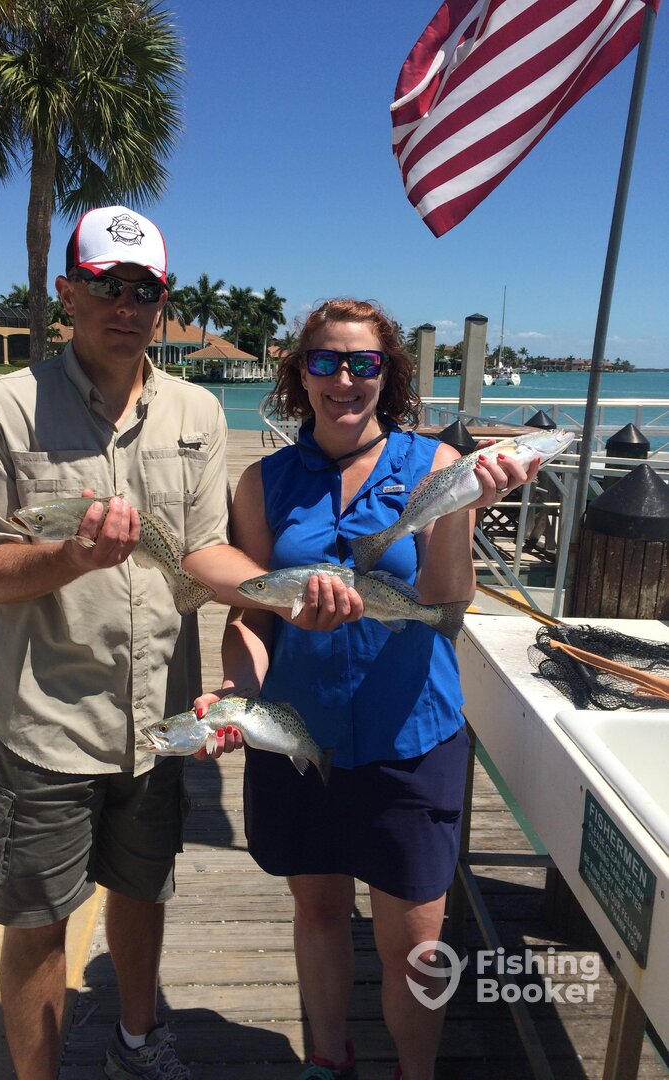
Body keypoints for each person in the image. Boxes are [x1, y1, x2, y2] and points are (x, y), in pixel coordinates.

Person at [0, 205, 256, 1080]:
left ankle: (137, 1042)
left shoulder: (197, 408)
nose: (126, 305)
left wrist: (278, 599)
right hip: (44, 721)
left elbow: (200, 553)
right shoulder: (2, 406)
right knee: (36, 920)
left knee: (144, 890)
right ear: (66, 291)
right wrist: (72, 556)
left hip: (155, 719)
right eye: (106, 286)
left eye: (144, 289)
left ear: (163, 302)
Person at [197, 299, 540, 1080]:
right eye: (324, 362)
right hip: (298, 733)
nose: (344, 378)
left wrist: (465, 509)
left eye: (364, 363)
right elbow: (250, 619)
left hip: (410, 735)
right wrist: (235, 696)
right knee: (317, 914)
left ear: (390, 377)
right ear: (298, 376)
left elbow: (448, 602)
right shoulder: (264, 482)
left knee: (415, 944)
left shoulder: (434, 466)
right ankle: (328, 1059)